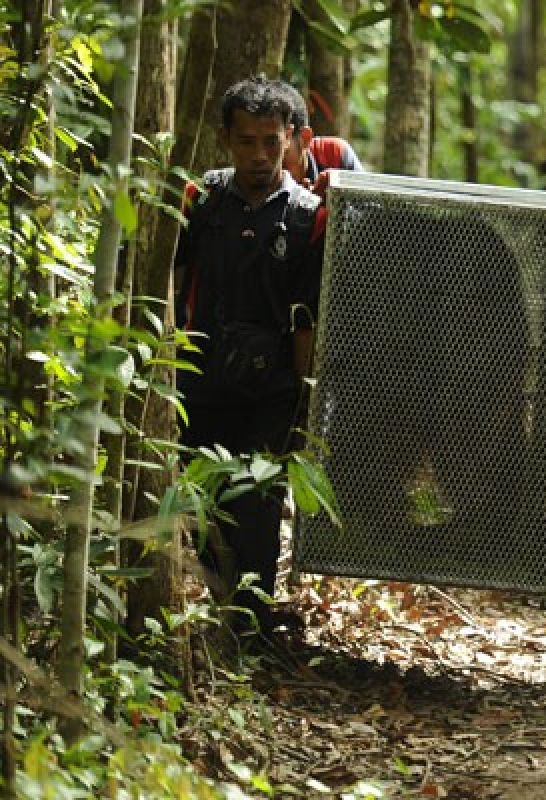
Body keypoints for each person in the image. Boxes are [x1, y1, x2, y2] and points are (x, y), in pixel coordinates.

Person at [175, 75, 326, 633]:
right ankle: (217, 610)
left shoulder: (311, 216)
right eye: (246, 142)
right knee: (205, 499)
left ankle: (251, 626)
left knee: (259, 502)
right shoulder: (204, 200)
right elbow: (177, 280)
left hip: (273, 386)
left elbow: (309, 316)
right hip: (204, 374)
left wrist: (307, 400)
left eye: (271, 141)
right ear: (226, 140)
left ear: (293, 138)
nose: (259, 155)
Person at [274, 80, 364, 197]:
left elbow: (371, 209)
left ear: (305, 138)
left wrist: (330, 204)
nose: (273, 167)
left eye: (282, 154)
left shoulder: (334, 154)